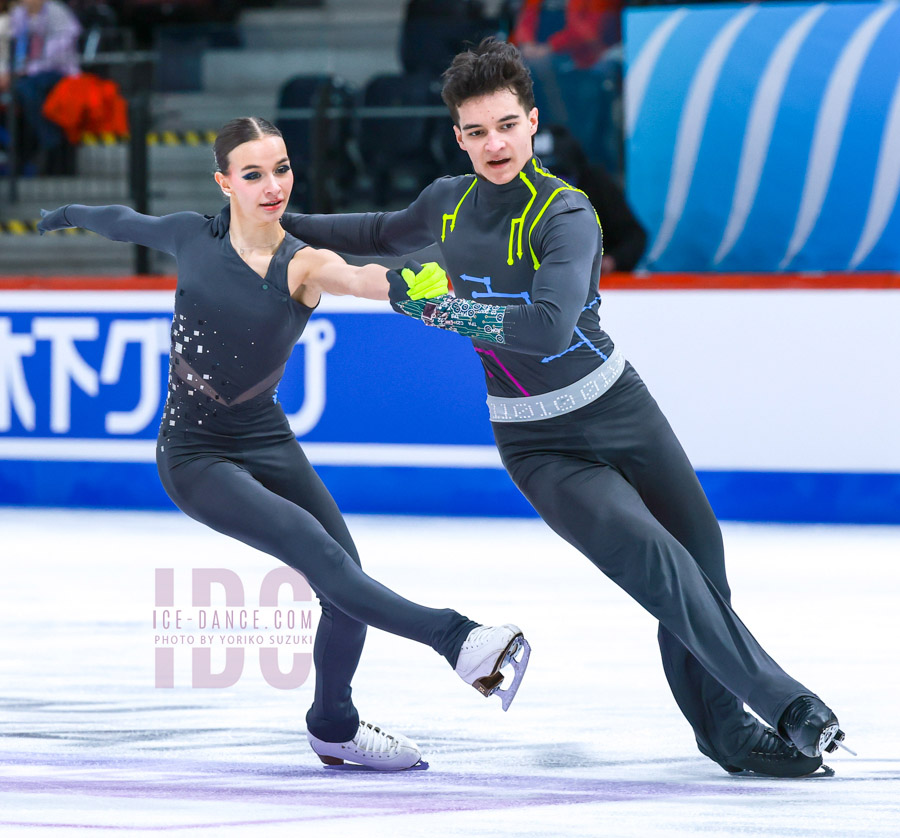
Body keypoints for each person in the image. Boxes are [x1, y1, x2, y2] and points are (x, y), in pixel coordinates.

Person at [270, 40, 848, 778]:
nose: (494, 144)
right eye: (476, 131)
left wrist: (443, 310)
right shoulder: (446, 204)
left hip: (624, 412)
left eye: (507, 125)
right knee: (662, 565)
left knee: (704, 573)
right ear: (457, 136)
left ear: (533, 121)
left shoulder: (566, 212)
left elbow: (546, 329)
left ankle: (727, 736)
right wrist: (282, 228)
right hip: (541, 445)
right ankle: (789, 705)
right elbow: (378, 232)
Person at [37, 116, 531, 772]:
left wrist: (410, 284)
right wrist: (64, 211)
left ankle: (333, 724)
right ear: (225, 182)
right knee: (323, 557)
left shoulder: (300, 262)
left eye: (282, 169)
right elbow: (124, 220)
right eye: (254, 174)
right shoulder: (192, 235)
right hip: (193, 455)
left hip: (265, 437)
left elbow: (360, 277)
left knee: (342, 577)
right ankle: (458, 639)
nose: (274, 186)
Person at [7, 0, 81, 174]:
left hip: (58, 71)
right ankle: (30, 149)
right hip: (26, 72)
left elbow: (58, 54)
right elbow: (11, 46)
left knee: (25, 89)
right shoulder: (20, 15)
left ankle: (50, 142)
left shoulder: (56, 12)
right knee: (19, 92)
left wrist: (23, 70)